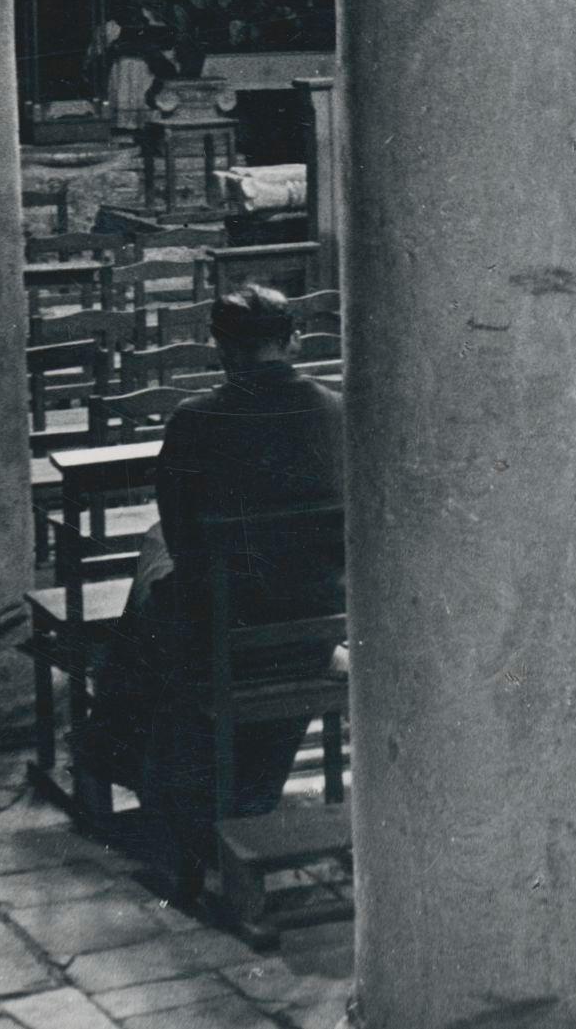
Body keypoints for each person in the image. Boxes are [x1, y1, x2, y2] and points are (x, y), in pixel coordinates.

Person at [86, 285, 346, 891]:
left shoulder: (196, 420)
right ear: (293, 341)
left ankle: (128, 763)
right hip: (318, 620)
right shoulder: (336, 411)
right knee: (164, 581)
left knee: (153, 575)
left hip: (228, 633)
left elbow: (180, 533)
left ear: (218, 349)